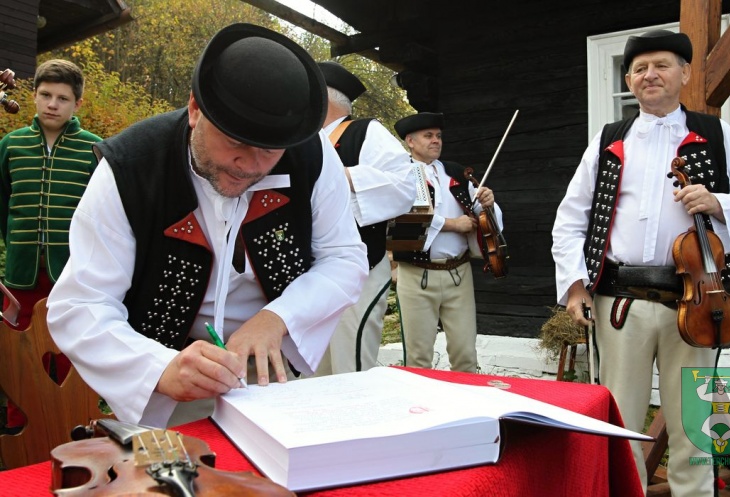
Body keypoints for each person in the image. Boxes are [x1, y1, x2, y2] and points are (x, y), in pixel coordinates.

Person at [46, 23, 368, 428]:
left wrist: (278, 318)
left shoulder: (311, 154)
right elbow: (80, 304)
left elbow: (345, 257)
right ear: (196, 110)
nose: (251, 166)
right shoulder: (129, 167)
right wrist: (158, 367)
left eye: (269, 151)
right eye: (235, 143)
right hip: (164, 374)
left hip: (274, 370)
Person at [551, 30, 730, 496]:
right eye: (640, 68)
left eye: (662, 65)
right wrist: (574, 286)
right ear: (629, 79)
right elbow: (570, 219)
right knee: (619, 425)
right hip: (618, 303)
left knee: (696, 428)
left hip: (695, 304)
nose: (650, 75)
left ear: (685, 73)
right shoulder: (608, 139)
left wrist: (717, 202)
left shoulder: (715, 135)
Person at [0, 59, 101, 433]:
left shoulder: (94, 149)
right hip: (22, 275)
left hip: (72, 274)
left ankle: (75, 424)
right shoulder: (11, 145)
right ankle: (19, 426)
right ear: (34, 96)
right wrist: (16, 246)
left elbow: (101, 213)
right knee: (22, 354)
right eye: (45, 95)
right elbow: (3, 204)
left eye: (62, 97)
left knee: (71, 349)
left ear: (77, 104)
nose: (52, 104)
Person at [312, 61, 416, 376]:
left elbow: (404, 185)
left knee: (349, 367)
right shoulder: (301, 142)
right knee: (311, 369)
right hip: (309, 276)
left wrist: (340, 176)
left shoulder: (364, 131)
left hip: (359, 271)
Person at [392, 112, 503, 373]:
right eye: (428, 136)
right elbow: (402, 221)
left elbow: (484, 218)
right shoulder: (402, 172)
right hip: (417, 275)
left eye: (438, 136)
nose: (435, 141)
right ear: (410, 141)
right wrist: (452, 224)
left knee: (465, 355)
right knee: (419, 359)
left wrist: (488, 203)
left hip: (458, 274)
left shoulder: (455, 172)